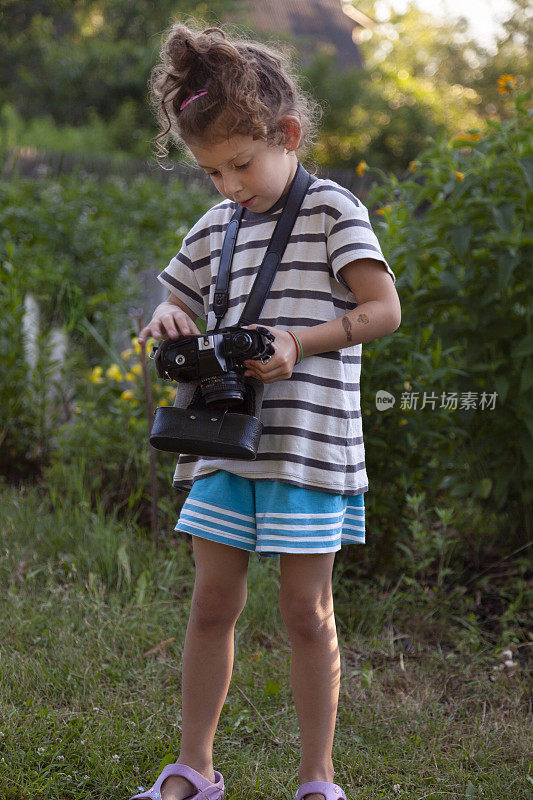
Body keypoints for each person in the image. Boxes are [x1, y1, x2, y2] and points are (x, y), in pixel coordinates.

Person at [133, 20, 401, 800]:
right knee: (212, 603)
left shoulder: (330, 210)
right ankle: (194, 767)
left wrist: (300, 343)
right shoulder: (216, 225)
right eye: (212, 172)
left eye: (240, 164)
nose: (228, 186)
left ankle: (317, 778)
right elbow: (172, 300)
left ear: (285, 134)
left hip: (307, 450)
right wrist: (167, 319)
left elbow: (382, 311)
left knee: (304, 612)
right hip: (222, 440)